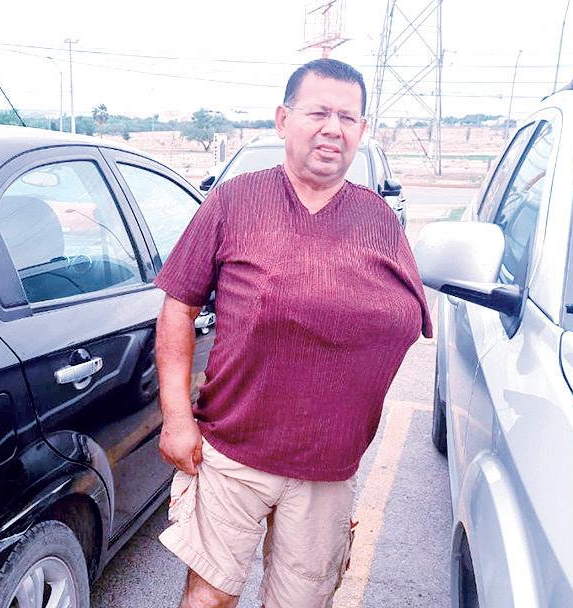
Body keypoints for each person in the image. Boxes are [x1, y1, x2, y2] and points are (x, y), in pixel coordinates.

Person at [153, 58, 433, 608]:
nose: (333, 128)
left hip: (327, 467)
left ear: (362, 131)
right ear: (284, 119)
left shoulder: (378, 219)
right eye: (318, 113)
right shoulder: (234, 201)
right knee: (209, 598)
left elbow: (411, 320)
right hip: (232, 450)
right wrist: (177, 420)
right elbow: (178, 308)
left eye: (347, 118)